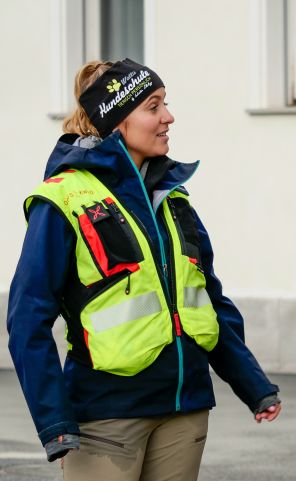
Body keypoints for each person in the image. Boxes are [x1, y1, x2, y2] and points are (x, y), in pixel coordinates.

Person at [6, 59, 282, 481]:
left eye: (165, 104)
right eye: (153, 106)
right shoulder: (64, 199)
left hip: (184, 410)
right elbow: (27, 318)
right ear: (117, 121)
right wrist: (55, 423)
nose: (168, 117)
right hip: (106, 418)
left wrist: (253, 385)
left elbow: (206, 298)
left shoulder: (173, 199)